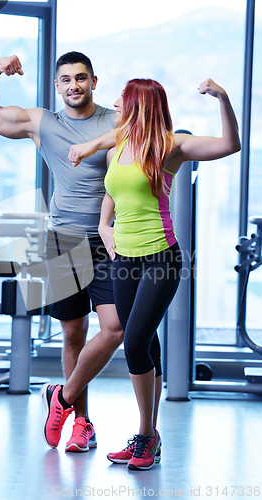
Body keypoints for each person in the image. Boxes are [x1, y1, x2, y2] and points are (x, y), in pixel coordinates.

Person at [0, 52, 164, 453]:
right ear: (57, 85)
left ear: (94, 81)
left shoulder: (115, 121)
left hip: (112, 241)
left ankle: (60, 395)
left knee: (116, 329)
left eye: (81, 78)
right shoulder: (44, 123)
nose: (73, 85)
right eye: (65, 80)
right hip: (60, 238)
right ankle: (83, 423)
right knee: (72, 331)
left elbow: (154, 133)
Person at [69, 77, 240, 470]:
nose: (117, 106)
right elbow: (112, 191)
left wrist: (224, 99)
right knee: (145, 343)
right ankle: (149, 438)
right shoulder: (118, 143)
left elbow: (230, 145)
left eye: (124, 101)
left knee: (133, 345)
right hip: (124, 260)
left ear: (139, 106)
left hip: (161, 259)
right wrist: (103, 225)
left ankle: (146, 436)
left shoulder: (170, 146)